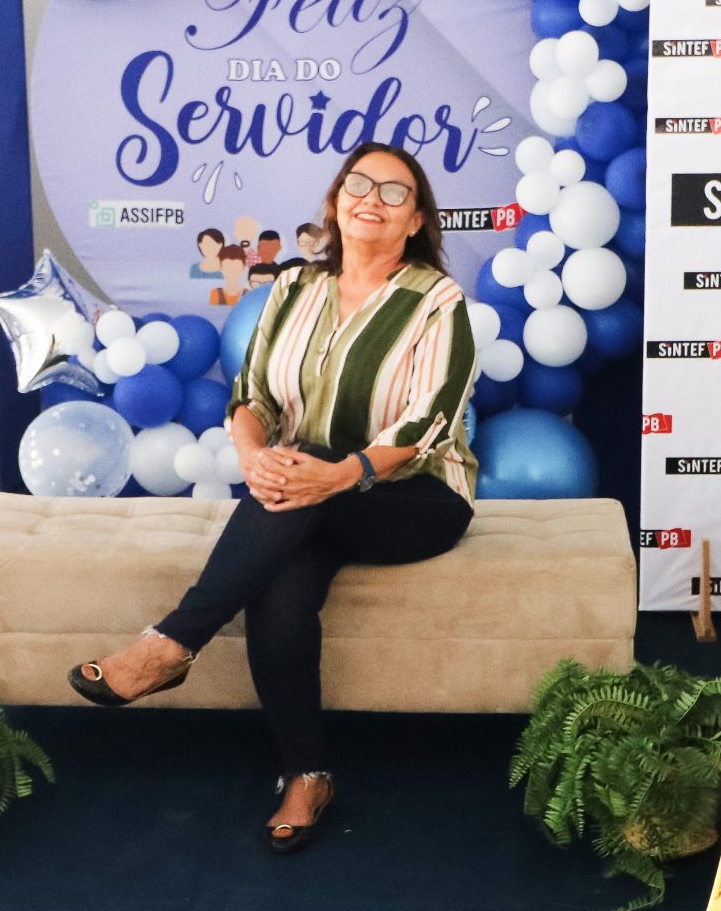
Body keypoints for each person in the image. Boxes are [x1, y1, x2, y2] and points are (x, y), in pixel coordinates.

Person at [70, 143, 481, 852]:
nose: (372, 199)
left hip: (414, 499)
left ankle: (171, 644)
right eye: (359, 184)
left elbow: (429, 422)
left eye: (395, 192)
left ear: (416, 220)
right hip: (307, 498)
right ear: (335, 202)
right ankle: (307, 774)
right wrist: (253, 455)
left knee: (311, 462)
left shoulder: (437, 301)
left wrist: (340, 472)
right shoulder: (293, 287)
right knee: (281, 588)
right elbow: (251, 394)